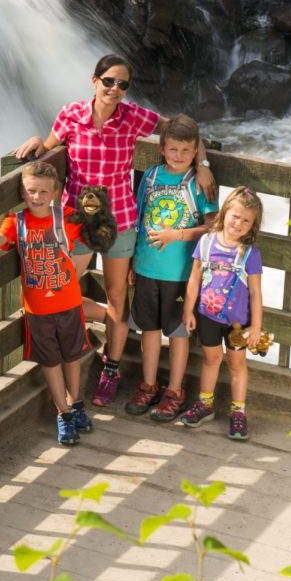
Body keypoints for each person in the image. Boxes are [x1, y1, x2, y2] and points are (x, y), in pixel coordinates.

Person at [14, 55, 215, 408]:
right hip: (77, 221)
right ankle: (78, 347)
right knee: (59, 290)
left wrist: (203, 164)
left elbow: (186, 133)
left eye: (123, 84)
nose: (115, 89)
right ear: (94, 81)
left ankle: (111, 367)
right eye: (109, 81)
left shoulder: (134, 116)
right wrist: (35, 141)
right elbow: (46, 151)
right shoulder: (71, 114)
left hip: (121, 219)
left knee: (118, 297)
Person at [0, 161, 93, 446]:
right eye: (31, 191)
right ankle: (64, 414)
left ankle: (76, 403)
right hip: (38, 310)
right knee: (51, 361)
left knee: (72, 358)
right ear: (23, 191)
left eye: (44, 192)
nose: (37, 197)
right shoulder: (16, 222)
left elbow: (96, 232)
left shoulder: (66, 217)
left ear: (54, 193)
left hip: (69, 303)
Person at [125, 115, 218, 421]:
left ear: (195, 152)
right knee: (148, 330)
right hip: (147, 268)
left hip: (181, 275)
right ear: (162, 148)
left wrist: (176, 235)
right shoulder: (150, 177)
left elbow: (211, 227)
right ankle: (148, 385)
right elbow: (138, 222)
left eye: (186, 151)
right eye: (173, 149)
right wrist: (132, 265)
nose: (179, 156)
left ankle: (174, 390)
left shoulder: (198, 182)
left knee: (178, 333)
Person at [180, 186, 264, 441]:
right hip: (207, 316)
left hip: (238, 324)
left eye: (246, 220)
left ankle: (238, 412)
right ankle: (205, 405)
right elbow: (194, 278)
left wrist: (257, 327)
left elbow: (255, 294)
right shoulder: (206, 243)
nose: (238, 223)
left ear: (252, 226)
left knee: (237, 364)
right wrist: (188, 310)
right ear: (225, 212)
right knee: (211, 358)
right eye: (235, 216)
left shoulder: (250, 254)